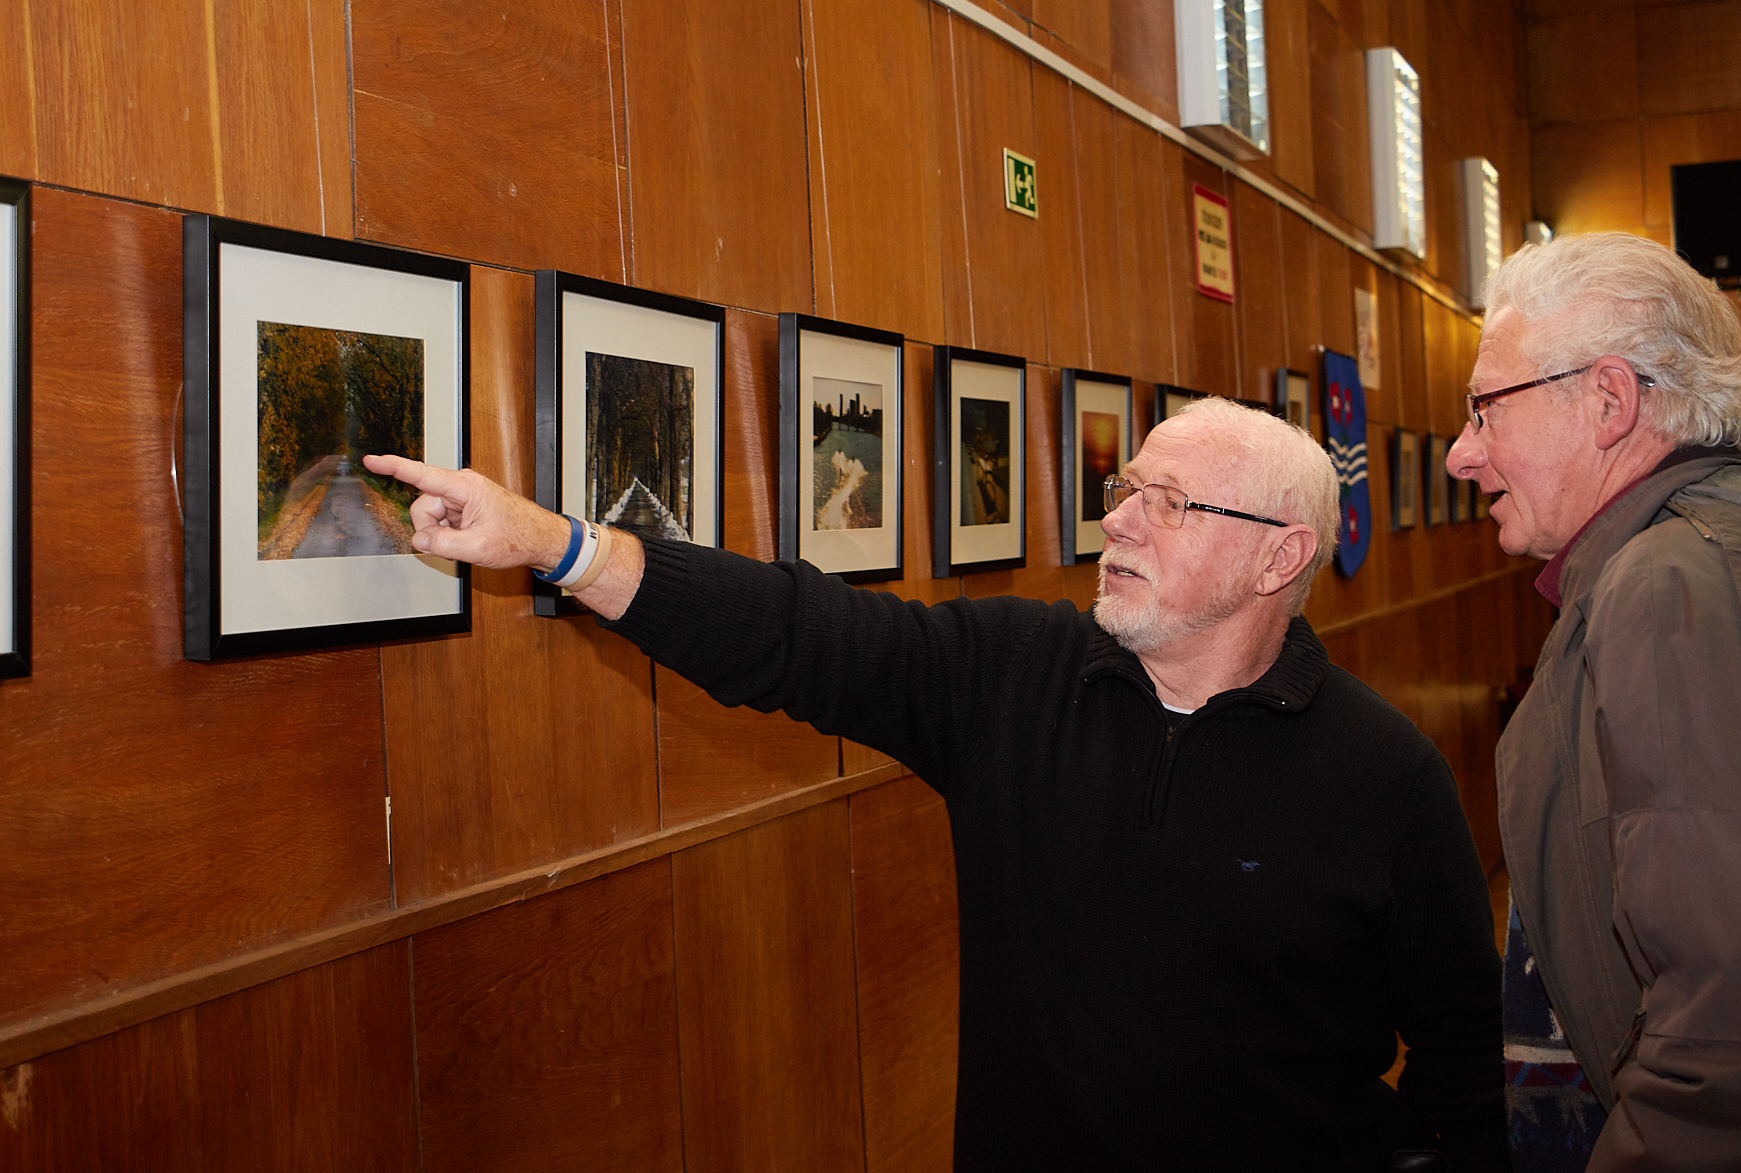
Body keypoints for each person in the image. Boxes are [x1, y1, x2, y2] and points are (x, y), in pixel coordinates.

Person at [366, 395, 1507, 1170]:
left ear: (1279, 556)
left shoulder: (1387, 779)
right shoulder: (1012, 678)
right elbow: (795, 635)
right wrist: (557, 545)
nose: (1118, 520)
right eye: (1126, 488)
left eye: (1171, 503)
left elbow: (1462, 1065)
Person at [1445, 232, 1741, 1171]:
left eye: (1485, 410)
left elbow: (1727, 1021)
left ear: (1610, 402)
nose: (1462, 455)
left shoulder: (1669, 581)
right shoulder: (1686, 552)